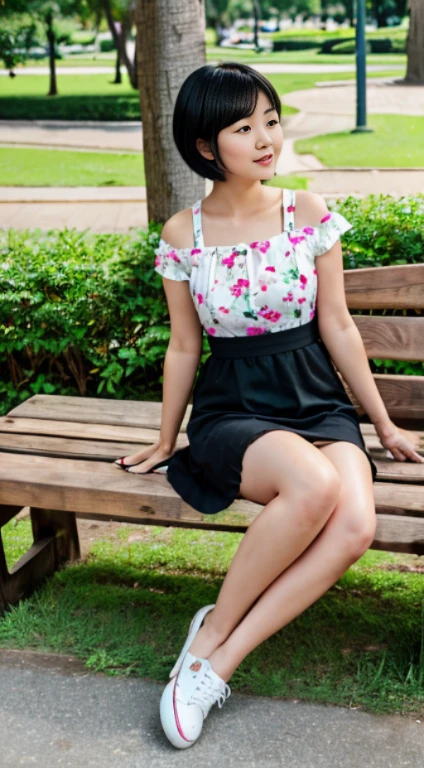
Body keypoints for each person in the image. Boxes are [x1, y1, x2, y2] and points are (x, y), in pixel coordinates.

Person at [115, 62, 424, 749]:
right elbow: (184, 349)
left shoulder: (306, 213)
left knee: (353, 527)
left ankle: (215, 653)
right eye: (243, 126)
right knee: (312, 484)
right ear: (205, 145)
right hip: (236, 409)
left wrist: (381, 423)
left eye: (271, 121)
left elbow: (339, 326)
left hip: (317, 401)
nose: (265, 138)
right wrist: (167, 441)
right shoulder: (182, 234)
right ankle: (216, 636)